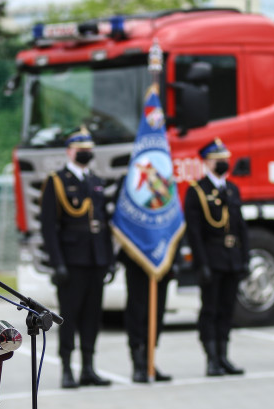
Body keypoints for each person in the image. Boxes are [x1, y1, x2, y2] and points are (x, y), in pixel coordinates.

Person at [40, 126, 114, 389]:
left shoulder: (95, 181)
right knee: (70, 317)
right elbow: (49, 227)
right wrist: (57, 262)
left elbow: (103, 223)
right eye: (81, 150)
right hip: (71, 261)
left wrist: (109, 259)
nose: (86, 154)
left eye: (89, 150)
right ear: (70, 152)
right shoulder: (57, 181)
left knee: (93, 317)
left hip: (95, 260)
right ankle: (67, 370)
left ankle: (88, 368)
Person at [184, 138, 248, 376]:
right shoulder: (197, 191)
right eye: (218, 160)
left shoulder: (232, 189)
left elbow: (240, 226)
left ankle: (224, 355)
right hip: (212, 257)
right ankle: (211, 358)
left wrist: (244, 258)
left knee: (227, 308)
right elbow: (194, 232)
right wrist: (201, 264)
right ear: (207, 162)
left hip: (231, 257)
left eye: (225, 159)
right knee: (210, 309)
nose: (223, 163)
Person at [120, 251, 174, 383]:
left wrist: (174, 260)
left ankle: (149, 361)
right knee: (137, 314)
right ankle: (138, 364)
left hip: (161, 261)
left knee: (157, 315)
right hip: (137, 261)